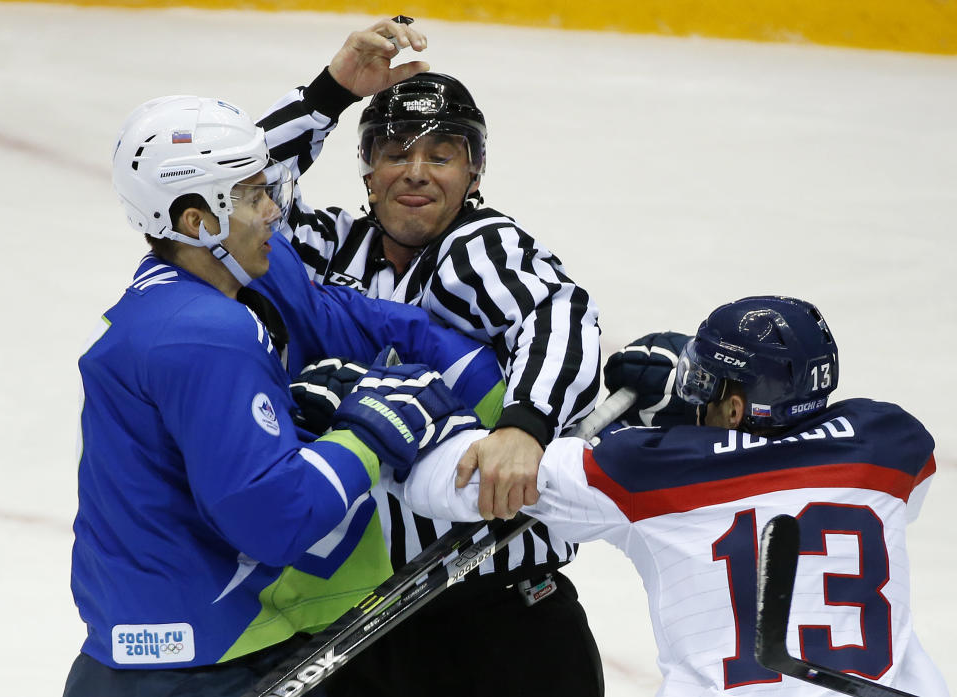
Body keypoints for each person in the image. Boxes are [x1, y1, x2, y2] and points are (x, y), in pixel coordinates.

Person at [64, 89, 505, 697]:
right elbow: (274, 517)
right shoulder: (202, 335)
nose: (274, 209)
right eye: (251, 195)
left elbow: (354, 320)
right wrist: (367, 432)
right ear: (198, 221)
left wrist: (517, 407)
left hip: (165, 653)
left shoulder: (204, 291)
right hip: (201, 670)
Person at [259, 18, 604, 697]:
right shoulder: (333, 247)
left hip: (497, 616)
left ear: (472, 172)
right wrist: (331, 92)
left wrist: (524, 425)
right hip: (368, 615)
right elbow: (242, 191)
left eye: (441, 154)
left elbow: (558, 311)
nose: (416, 173)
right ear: (367, 170)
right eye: (394, 152)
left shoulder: (478, 248)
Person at [393, 295, 948, 696]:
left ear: (733, 409)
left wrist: (379, 432)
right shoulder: (889, 443)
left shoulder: (646, 468)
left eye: (704, 384)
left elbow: (475, 477)